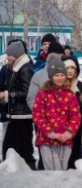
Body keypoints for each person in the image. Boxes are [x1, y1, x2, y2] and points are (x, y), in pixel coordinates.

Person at [32, 55, 81, 170]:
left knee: (62, 171)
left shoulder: (70, 94)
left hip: (65, 139)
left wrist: (69, 132)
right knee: (53, 171)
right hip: (47, 140)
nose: (60, 78)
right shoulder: (43, 93)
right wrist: (49, 132)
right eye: (57, 75)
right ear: (51, 76)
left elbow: (75, 116)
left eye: (62, 75)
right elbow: (38, 114)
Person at [0, 41, 35, 169]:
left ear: (16, 55)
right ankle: (27, 172)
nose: (7, 57)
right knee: (22, 149)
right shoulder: (17, 67)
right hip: (18, 115)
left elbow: (27, 93)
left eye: (9, 55)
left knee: (11, 148)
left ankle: (14, 172)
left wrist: (6, 95)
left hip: (22, 115)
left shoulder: (25, 68)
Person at [62, 56, 82, 168]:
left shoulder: (80, 86)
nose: (70, 70)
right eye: (67, 67)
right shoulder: (56, 86)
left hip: (77, 133)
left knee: (74, 161)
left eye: (73, 67)